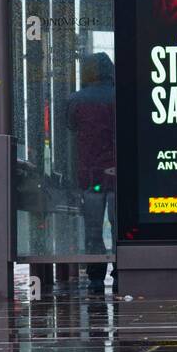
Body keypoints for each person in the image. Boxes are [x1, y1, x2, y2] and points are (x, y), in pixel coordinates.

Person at [66, 53, 117, 292]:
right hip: (117, 175)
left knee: (93, 230)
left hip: (90, 176)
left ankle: (96, 277)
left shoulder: (76, 101)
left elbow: (70, 129)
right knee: (120, 226)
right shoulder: (120, 96)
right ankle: (121, 270)